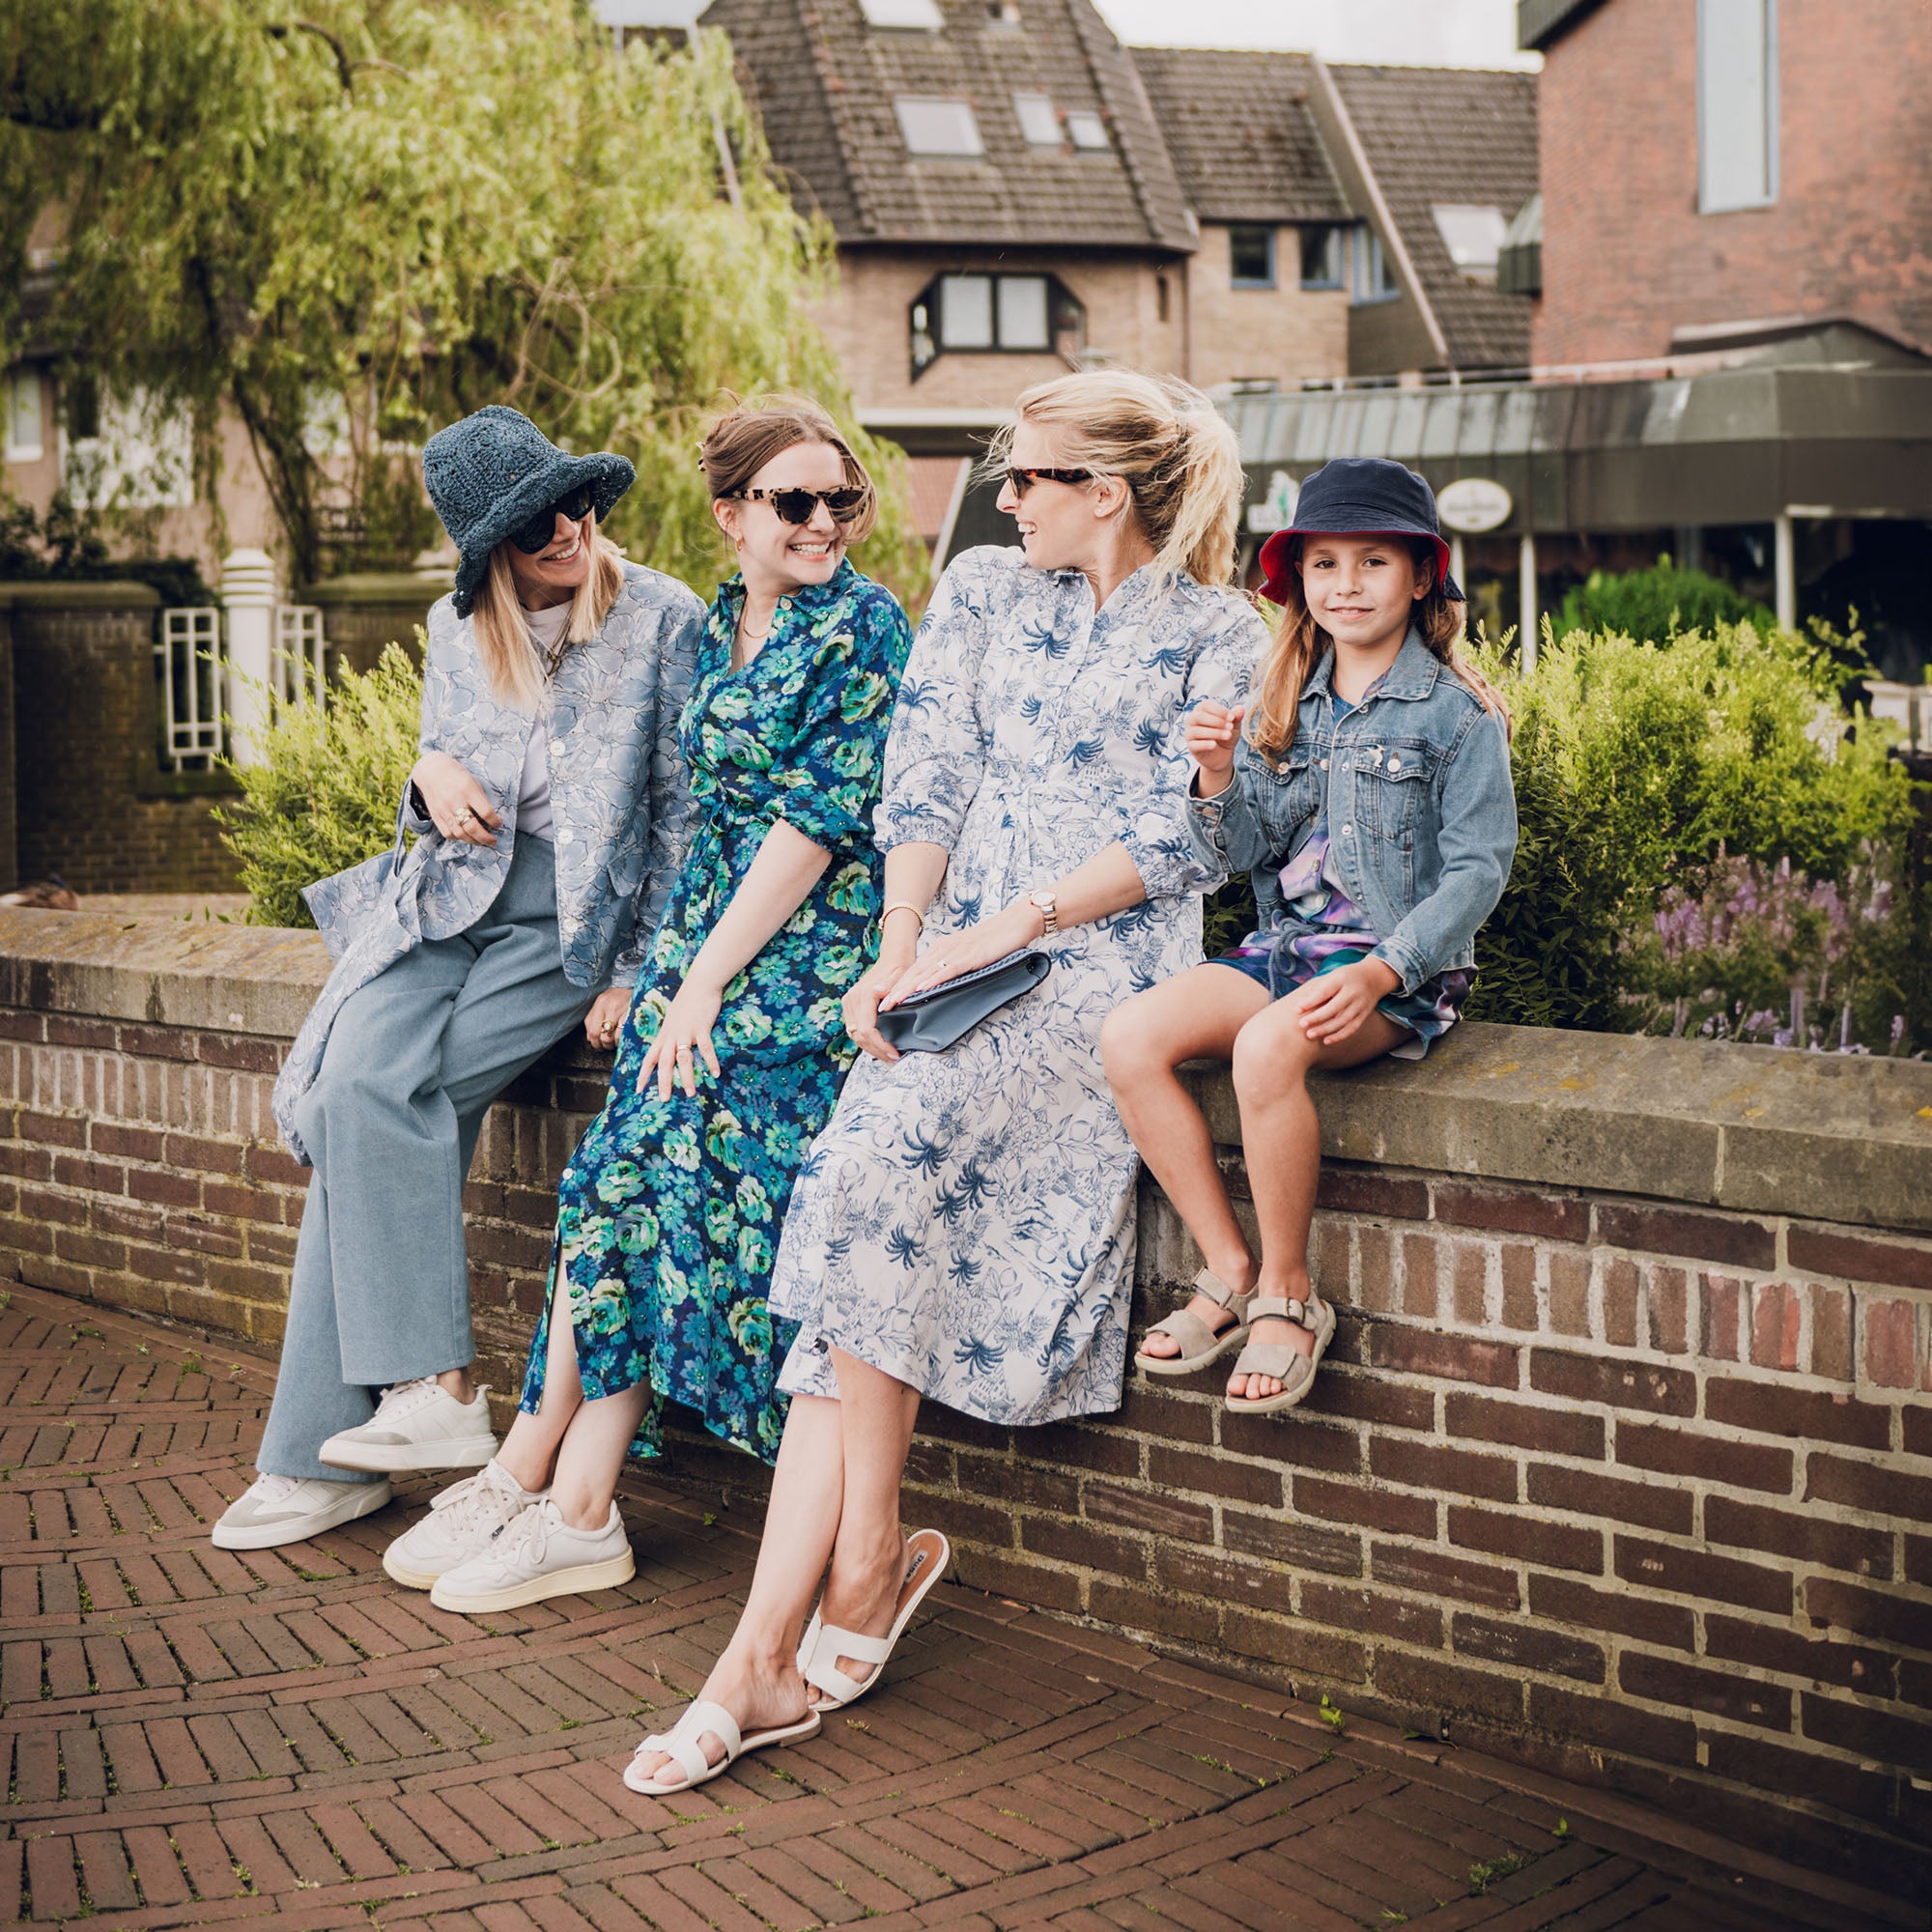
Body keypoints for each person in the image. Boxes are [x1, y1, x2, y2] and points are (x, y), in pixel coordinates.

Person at [620, 369, 1270, 1795]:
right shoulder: (980, 591)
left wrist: (1018, 922)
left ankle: (839, 1584)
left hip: (1097, 971)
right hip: (947, 957)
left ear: (1105, 492)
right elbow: (924, 774)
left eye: (1026, 476)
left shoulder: (1224, 633)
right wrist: (902, 942)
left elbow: (1196, 843)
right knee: (857, 1201)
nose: (1004, 497)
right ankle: (778, 1637)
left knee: (862, 1183)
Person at [379, 396, 915, 1615]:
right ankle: (544, 1480)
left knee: (660, 1156)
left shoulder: (864, 625)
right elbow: (692, 813)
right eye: (793, 500)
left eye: (840, 498)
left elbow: (814, 826)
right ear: (731, 514)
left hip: (806, 955)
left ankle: (564, 1493)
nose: (822, 521)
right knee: (606, 1176)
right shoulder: (720, 621)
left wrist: (701, 983)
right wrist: (662, 970)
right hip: (707, 942)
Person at [213, 406, 703, 1550]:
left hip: (567, 927)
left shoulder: (662, 615)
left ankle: (320, 1453)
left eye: (573, 501)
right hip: (443, 899)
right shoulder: (455, 625)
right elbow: (441, 767)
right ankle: (427, 1390)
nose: (567, 527)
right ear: (488, 549)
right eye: (535, 521)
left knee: (389, 1109)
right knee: (352, 1092)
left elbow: (681, 815)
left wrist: (642, 966)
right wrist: (427, 771)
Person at [1104, 457, 1517, 1412]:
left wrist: (1383, 971)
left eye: (1373, 561)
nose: (1346, 584)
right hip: (1286, 950)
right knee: (1128, 1035)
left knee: (1265, 1046)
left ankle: (1287, 1294)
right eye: (1324, 563)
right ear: (1299, 581)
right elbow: (1244, 848)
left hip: (1391, 972)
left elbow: (1476, 871)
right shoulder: (1282, 700)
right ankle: (1228, 1267)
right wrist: (1216, 776)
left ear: (1421, 575)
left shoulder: (1458, 717)